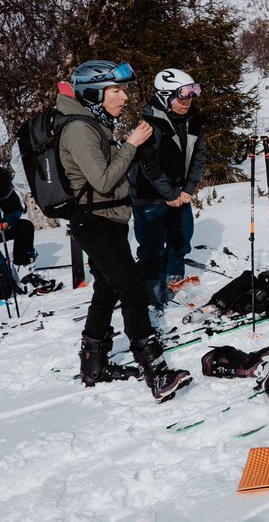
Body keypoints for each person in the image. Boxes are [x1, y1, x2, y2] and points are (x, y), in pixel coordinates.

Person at [59, 60, 191, 402]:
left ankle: (94, 366)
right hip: (95, 222)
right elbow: (102, 179)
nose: (124, 97)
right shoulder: (79, 129)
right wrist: (131, 144)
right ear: (93, 93)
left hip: (107, 220)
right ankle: (157, 374)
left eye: (123, 90)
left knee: (106, 288)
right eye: (116, 91)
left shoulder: (94, 123)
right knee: (133, 292)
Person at [130, 68, 206, 333]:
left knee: (179, 242)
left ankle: (174, 285)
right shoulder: (149, 124)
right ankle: (151, 299)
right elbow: (148, 165)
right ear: (164, 96)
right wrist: (169, 194)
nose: (188, 100)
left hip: (179, 195)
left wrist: (188, 189)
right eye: (182, 94)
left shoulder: (193, 120)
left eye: (192, 92)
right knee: (151, 250)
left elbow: (199, 157)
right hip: (150, 197)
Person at [1, 165, 37, 267]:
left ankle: (22, 266)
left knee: (24, 227)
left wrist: (7, 222)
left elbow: (14, 208)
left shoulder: (3, 181)